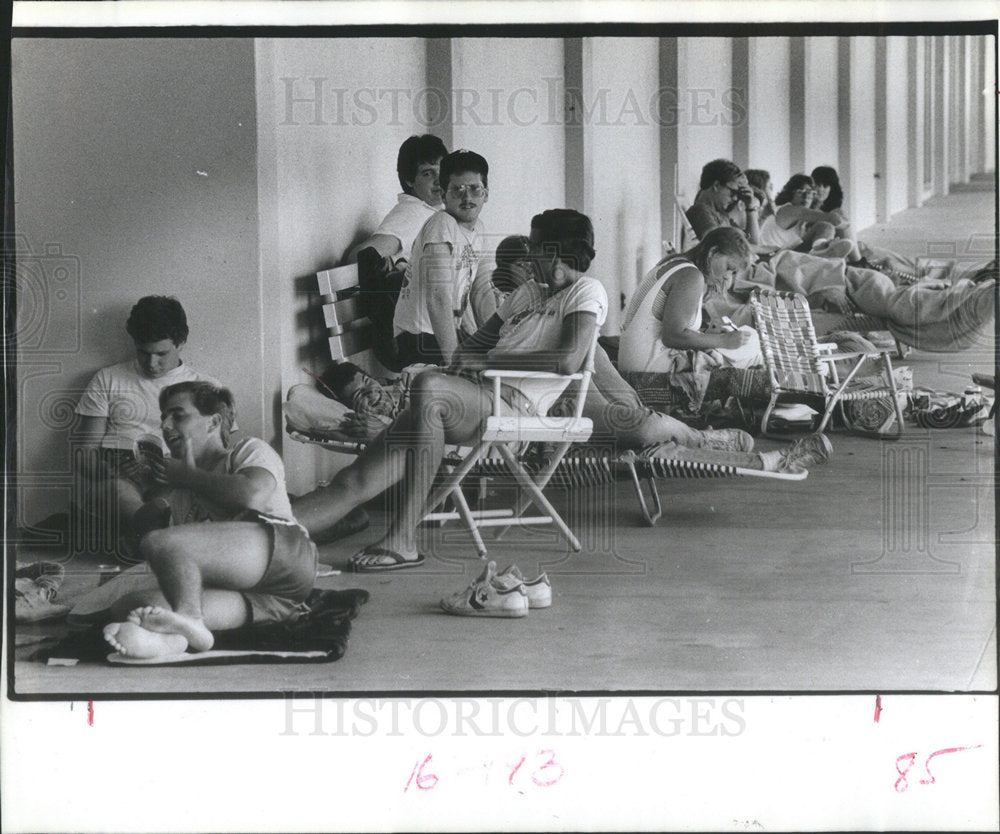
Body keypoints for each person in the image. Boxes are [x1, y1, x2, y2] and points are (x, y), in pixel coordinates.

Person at [293, 209, 606, 571]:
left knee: (431, 390)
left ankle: (402, 539)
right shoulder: (529, 292)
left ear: (554, 252)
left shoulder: (586, 291)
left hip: (512, 407)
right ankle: (263, 527)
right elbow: (477, 345)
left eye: (534, 247)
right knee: (355, 479)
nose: (527, 255)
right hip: (472, 396)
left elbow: (567, 361)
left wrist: (485, 366)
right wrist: (465, 361)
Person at [102, 381, 317, 658]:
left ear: (214, 421)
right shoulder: (179, 491)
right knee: (129, 606)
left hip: (287, 555)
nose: (166, 426)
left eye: (178, 416)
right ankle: (179, 636)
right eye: (164, 418)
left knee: (162, 543)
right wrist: (146, 490)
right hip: (272, 600)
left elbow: (253, 495)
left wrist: (190, 478)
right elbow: (184, 566)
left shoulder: (248, 450)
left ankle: (189, 618)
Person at [71, 296, 226, 554]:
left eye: (161, 354)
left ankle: (144, 538)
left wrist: (184, 470)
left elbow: (225, 456)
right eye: (143, 352)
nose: (152, 363)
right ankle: (152, 534)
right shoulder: (107, 379)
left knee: (174, 498)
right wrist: (110, 467)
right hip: (121, 481)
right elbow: (84, 455)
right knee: (118, 489)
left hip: (176, 482)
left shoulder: (206, 387)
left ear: (181, 343)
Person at [392, 148, 497, 366]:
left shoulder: (480, 230)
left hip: (444, 335)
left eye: (474, 189)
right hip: (418, 339)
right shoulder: (441, 224)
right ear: (443, 195)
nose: (467, 198)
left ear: (486, 194)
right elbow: (438, 297)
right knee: (485, 380)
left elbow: (482, 289)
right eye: (457, 190)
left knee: (505, 364)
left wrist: (496, 342)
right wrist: (455, 363)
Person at [618, 226, 763, 375]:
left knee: (739, 358)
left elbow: (673, 328)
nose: (728, 277)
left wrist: (707, 335)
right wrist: (724, 340)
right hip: (646, 371)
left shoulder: (676, 261)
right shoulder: (691, 276)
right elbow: (673, 336)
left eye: (733, 273)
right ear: (713, 252)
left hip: (635, 363)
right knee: (755, 360)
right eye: (728, 267)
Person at [346, 133, 448, 265]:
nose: (438, 180)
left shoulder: (430, 210)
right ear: (409, 180)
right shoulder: (412, 213)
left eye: (442, 172)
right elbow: (357, 259)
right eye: (427, 174)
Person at [758, 174, 860, 261]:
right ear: (790, 194)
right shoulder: (788, 210)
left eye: (811, 192)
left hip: (785, 254)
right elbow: (835, 220)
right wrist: (846, 225)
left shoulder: (802, 219)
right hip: (773, 257)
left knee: (827, 227)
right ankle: (856, 261)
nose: (806, 196)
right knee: (826, 226)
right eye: (801, 192)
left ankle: (822, 250)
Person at [686, 159, 762, 245]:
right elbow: (721, 247)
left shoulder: (721, 215)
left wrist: (750, 208)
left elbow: (752, 242)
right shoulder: (700, 211)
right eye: (733, 192)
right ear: (716, 185)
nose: (735, 198)